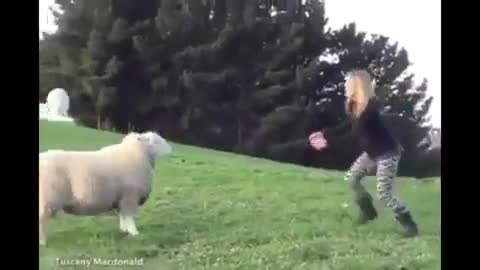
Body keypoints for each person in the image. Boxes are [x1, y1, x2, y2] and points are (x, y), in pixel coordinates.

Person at [309, 69, 418, 237]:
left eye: (348, 84)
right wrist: (323, 134)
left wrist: (328, 142)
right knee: (352, 179)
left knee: (384, 192)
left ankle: (409, 225)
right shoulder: (353, 106)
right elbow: (346, 126)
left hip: (387, 152)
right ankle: (368, 212)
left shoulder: (370, 108)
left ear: (357, 86)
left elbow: (354, 133)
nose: (346, 87)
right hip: (371, 152)